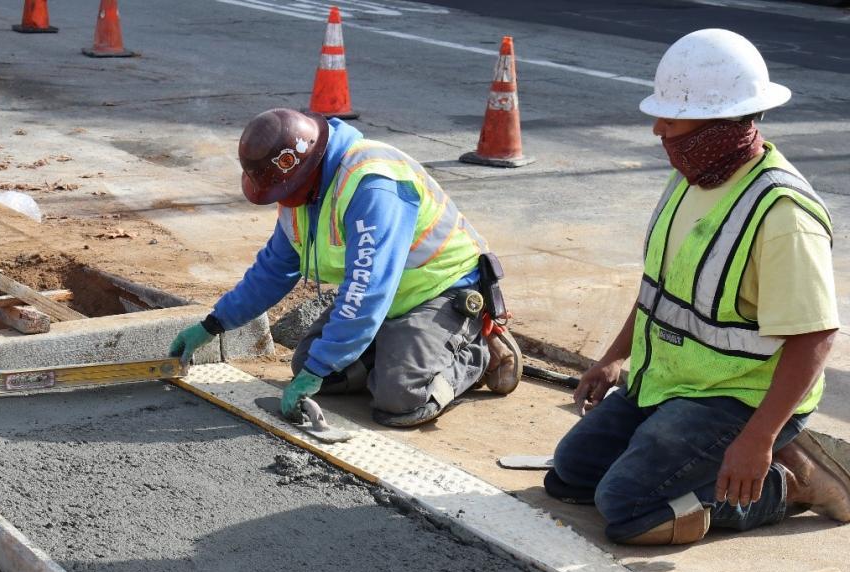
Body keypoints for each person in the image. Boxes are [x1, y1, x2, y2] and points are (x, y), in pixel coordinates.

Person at [545, 29, 848, 546]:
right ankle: (712, 459)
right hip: (670, 383)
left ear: (722, 123)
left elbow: (814, 337)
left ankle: (788, 480)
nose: (659, 128)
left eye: (673, 117)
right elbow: (660, 291)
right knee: (570, 476)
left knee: (628, 508)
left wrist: (758, 437)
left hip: (739, 399)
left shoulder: (782, 213)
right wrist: (616, 356)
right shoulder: (693, 175)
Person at [169, 108, 522, 428]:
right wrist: (213, 325)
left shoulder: (373, 186)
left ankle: (478, 350)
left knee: (401, 399)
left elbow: (366, 291)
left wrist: (322, 366)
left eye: (283, 189)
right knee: (306, 364)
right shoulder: (301, 196)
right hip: (387, 302)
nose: (280, 199)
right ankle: (398, 352)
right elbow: (273, 270)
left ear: (307, 169)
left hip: (440, 291)